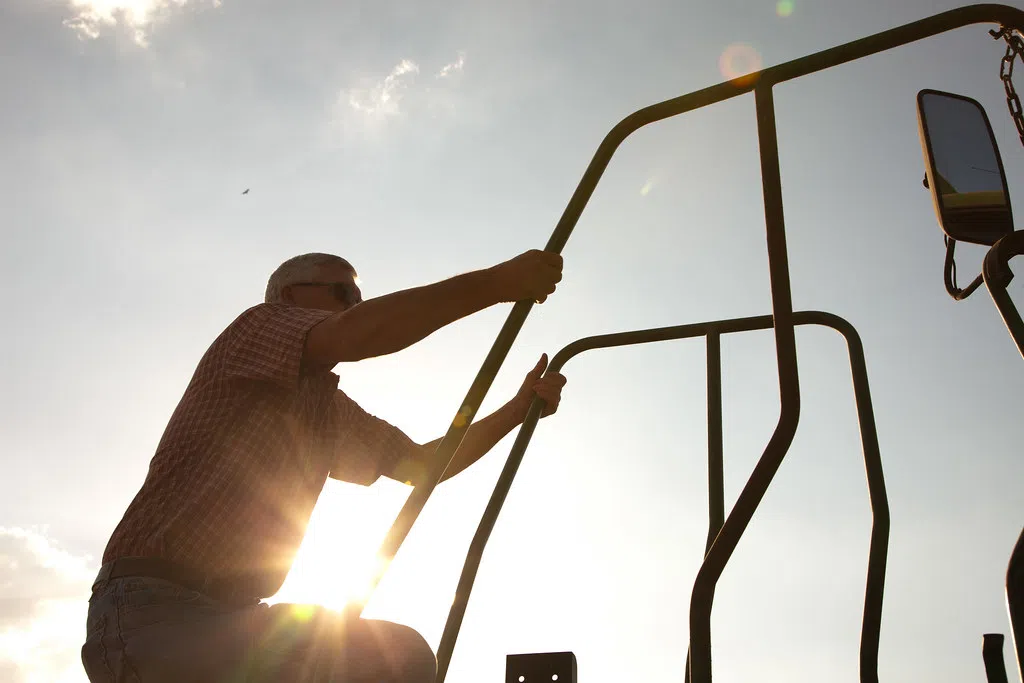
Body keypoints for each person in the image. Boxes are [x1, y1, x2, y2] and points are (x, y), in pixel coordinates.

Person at [81, 250, 567, 682]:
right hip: (151, 608)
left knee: (398, 657)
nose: (355, 304)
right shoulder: (255, 328)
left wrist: (518, 407)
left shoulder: (327, 410)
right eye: (344, 292)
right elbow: (363, 331)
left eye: (359, 297)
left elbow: (424, 465)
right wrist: (495, 283)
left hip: (235, 615)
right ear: (291, 297)